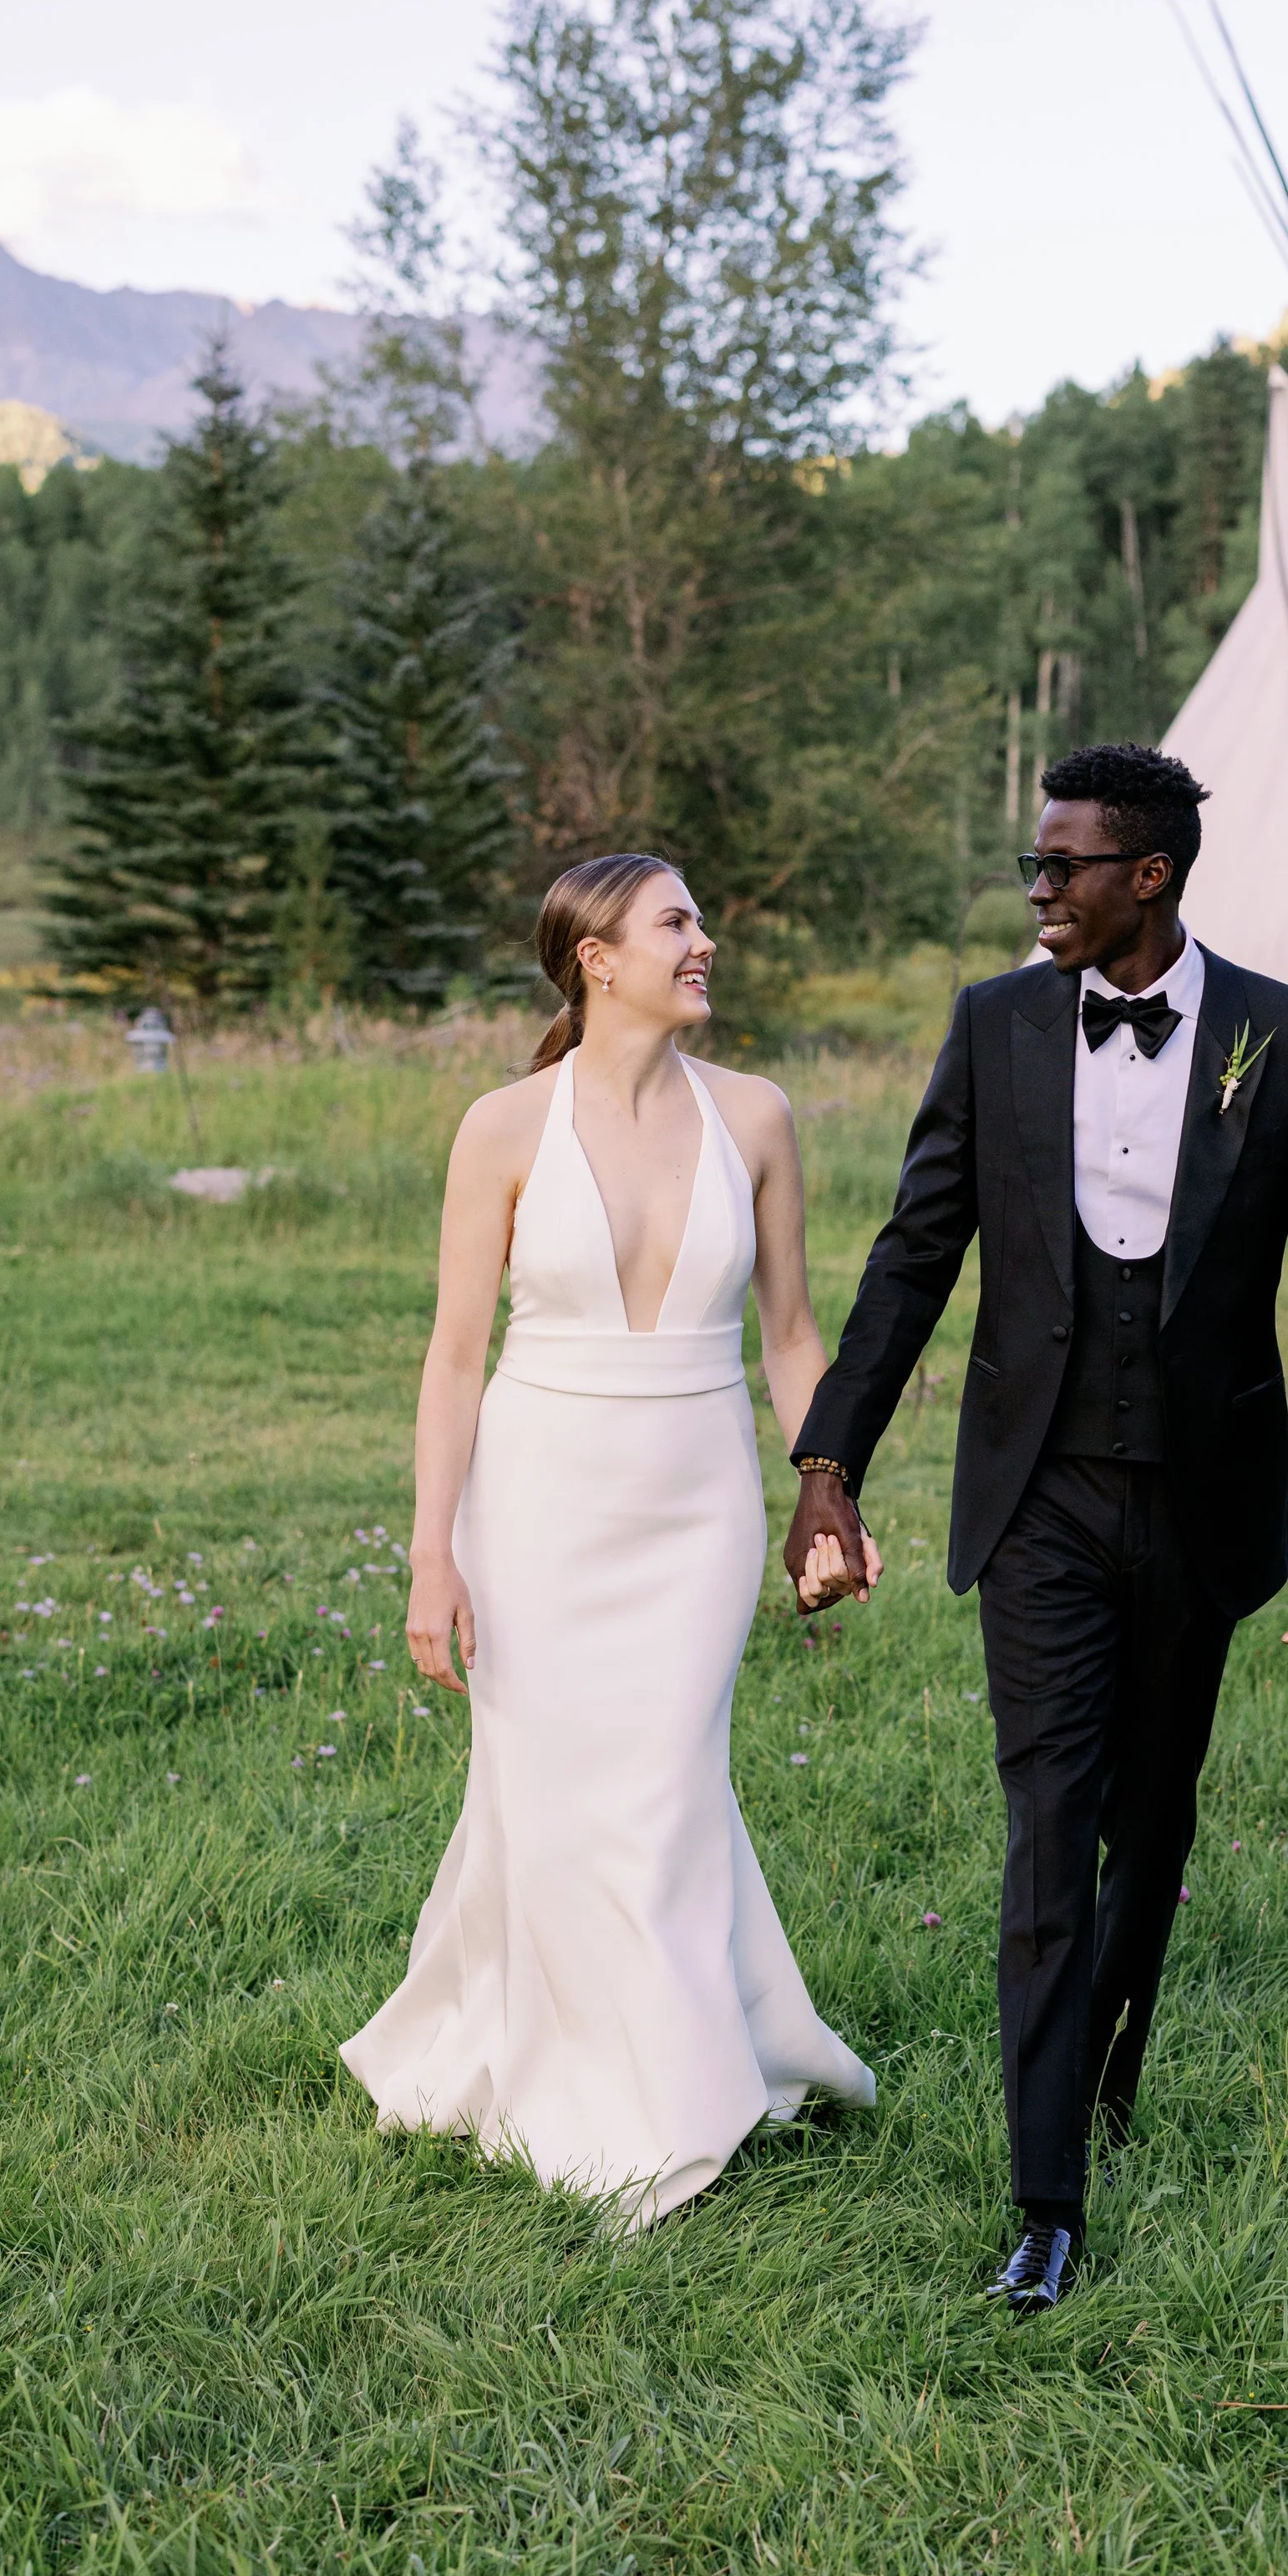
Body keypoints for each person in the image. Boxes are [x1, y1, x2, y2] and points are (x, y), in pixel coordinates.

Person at [783, 744, 1288, 2310]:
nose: (1038, 890)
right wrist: (829, 1459)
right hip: (1037, 1493)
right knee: (1049, 1828)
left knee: (1155, 1818)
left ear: (1151, 877)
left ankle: (1114, 2058)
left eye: (1063, 867)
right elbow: (918, 1245)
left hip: (1204, 1500)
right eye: (1033, 867)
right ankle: (1046, 2199)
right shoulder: (995, 1027)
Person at [342, 853, 877, 2223]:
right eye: (677, 923)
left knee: (665, 1784)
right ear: (597, 957)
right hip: (536, 1498)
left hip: (699, 1504)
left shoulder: (755, 1117)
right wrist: (429, 1555)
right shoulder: (503, 1129)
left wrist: (832, 1490)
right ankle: (601, 2083)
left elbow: (796, 1335)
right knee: (555, 1788)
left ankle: (670, 2078)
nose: (706, 943)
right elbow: (455, 1359)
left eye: (699, 918)